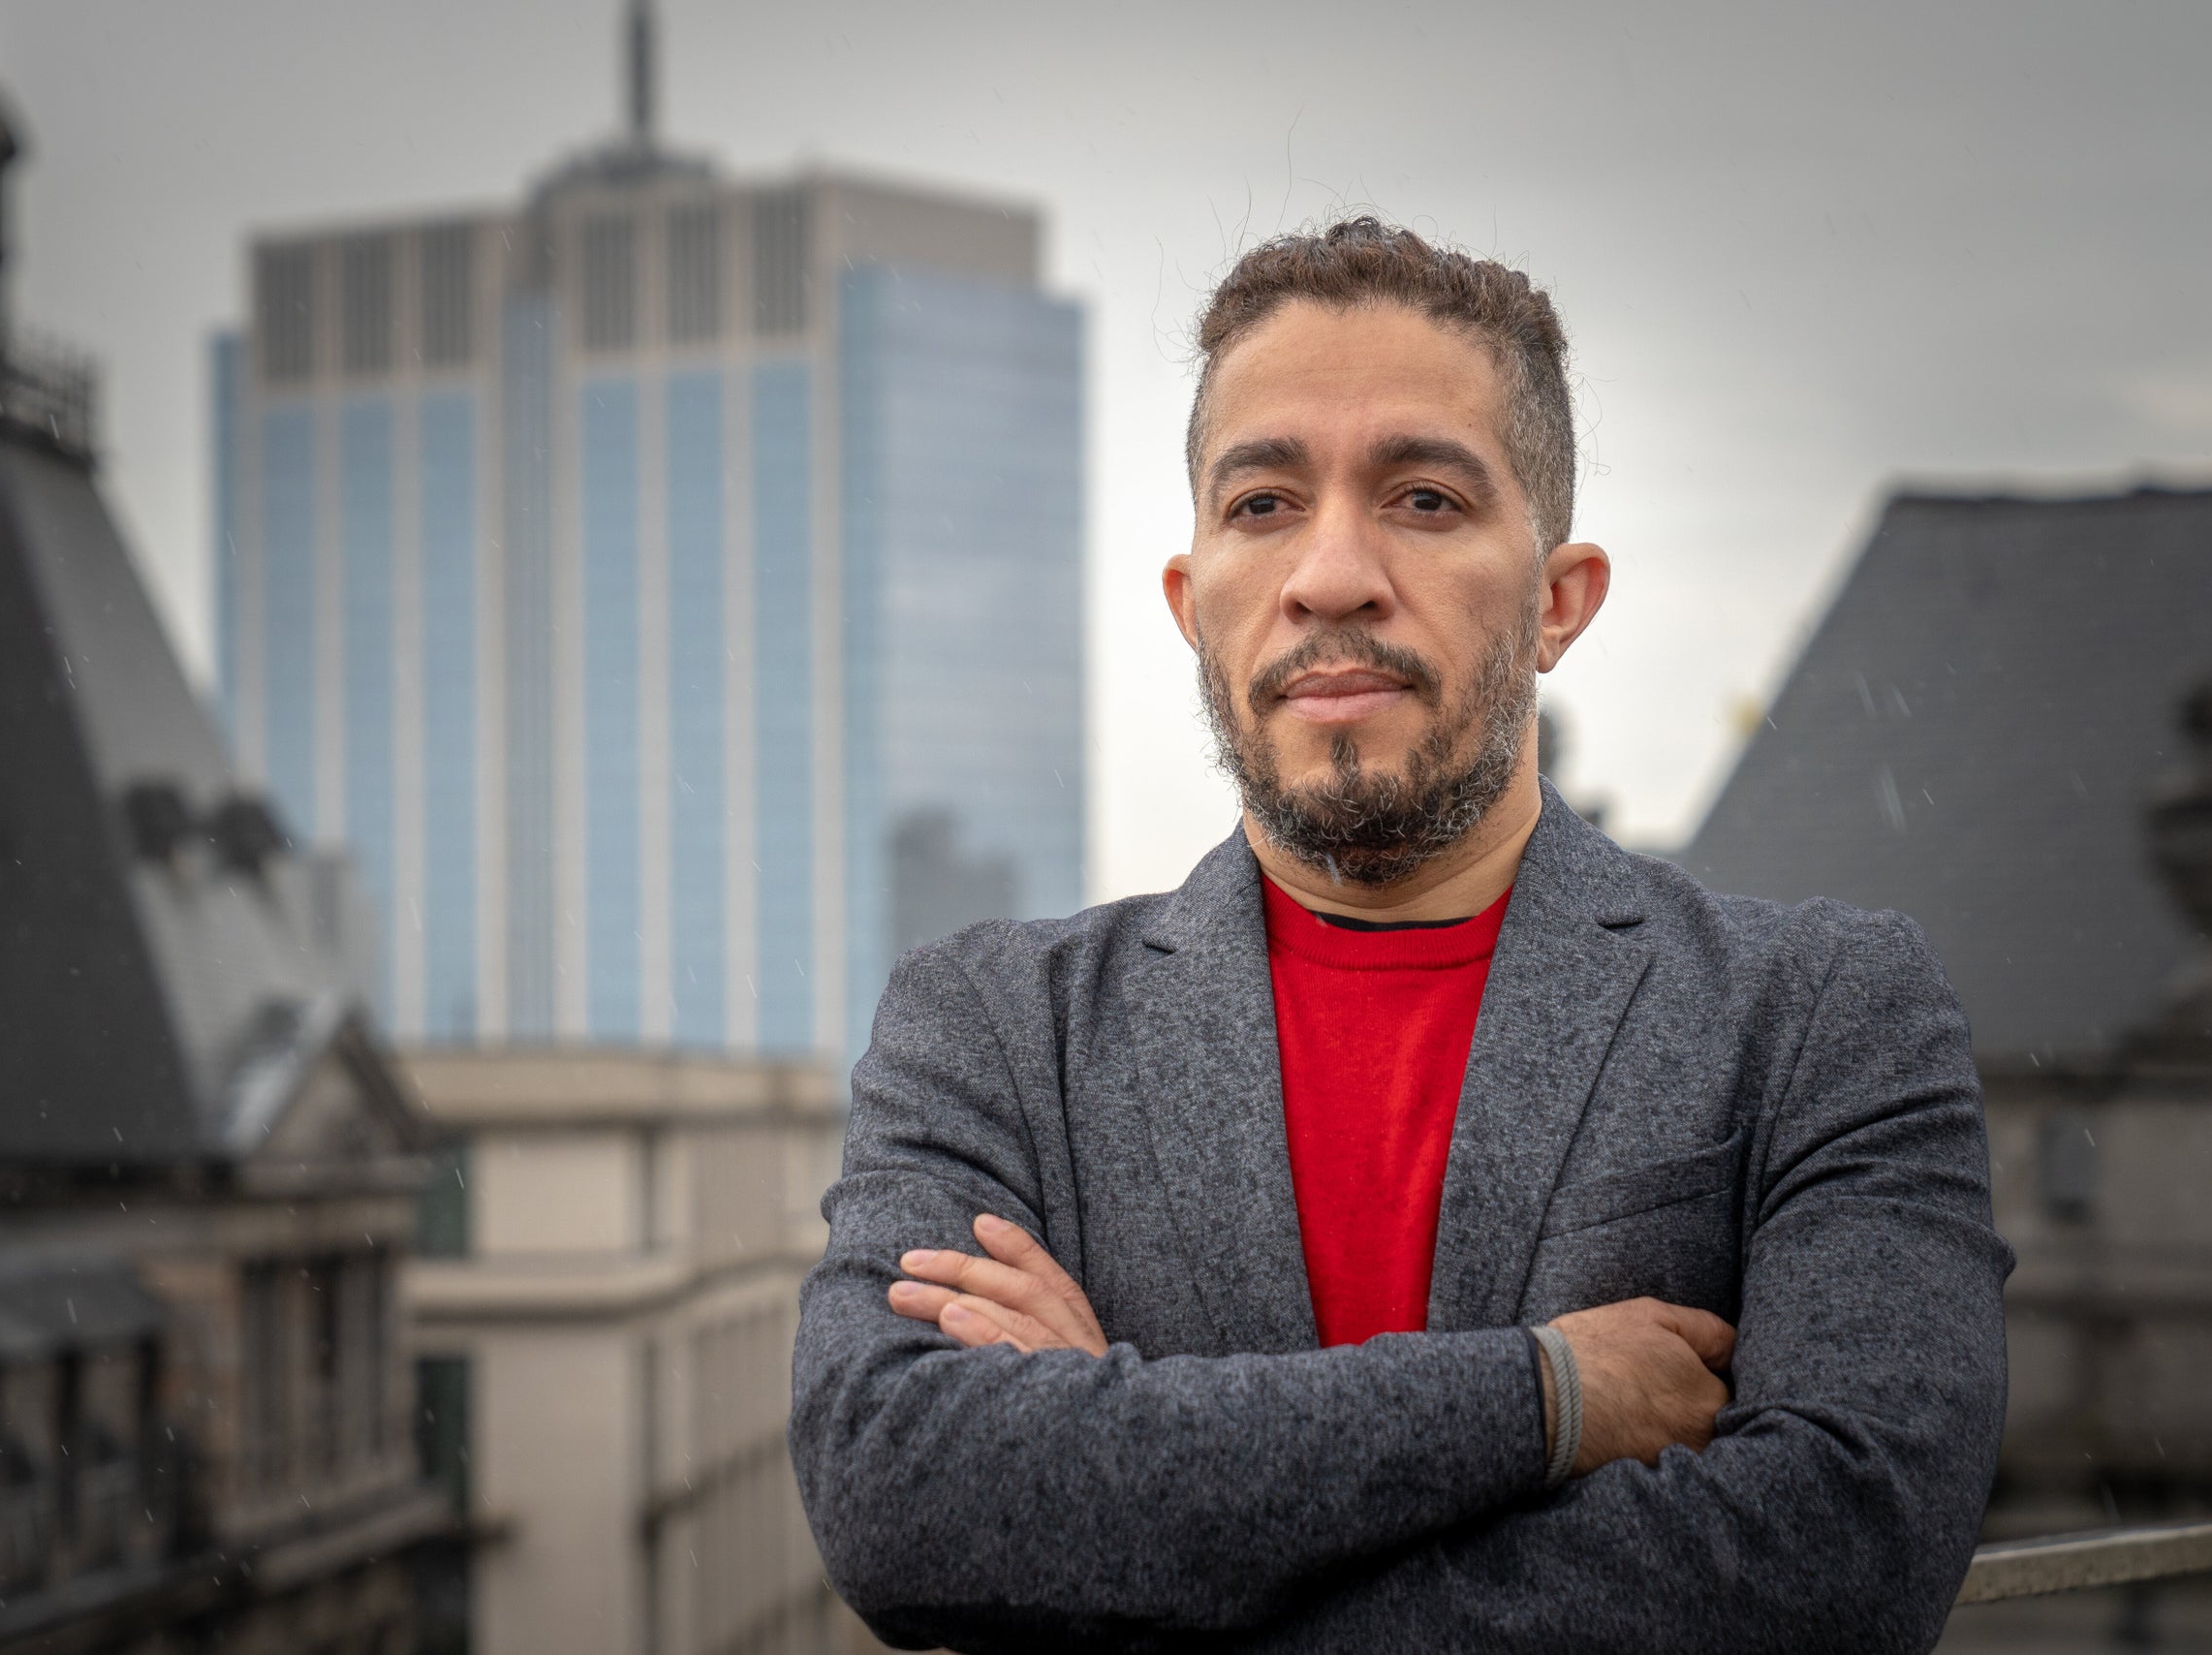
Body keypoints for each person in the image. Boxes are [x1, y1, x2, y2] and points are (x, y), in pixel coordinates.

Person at [790, 217, 2009, 1653]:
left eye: (1424, 499)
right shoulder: (994, 1025)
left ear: (1558, 602)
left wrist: (1135, 1527)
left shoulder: (1821, 1012)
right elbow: (902, 1495)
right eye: (1261, 505)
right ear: (1195, 609)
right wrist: (1548, 1397)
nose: (1332, 574)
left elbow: (1842, 1556)